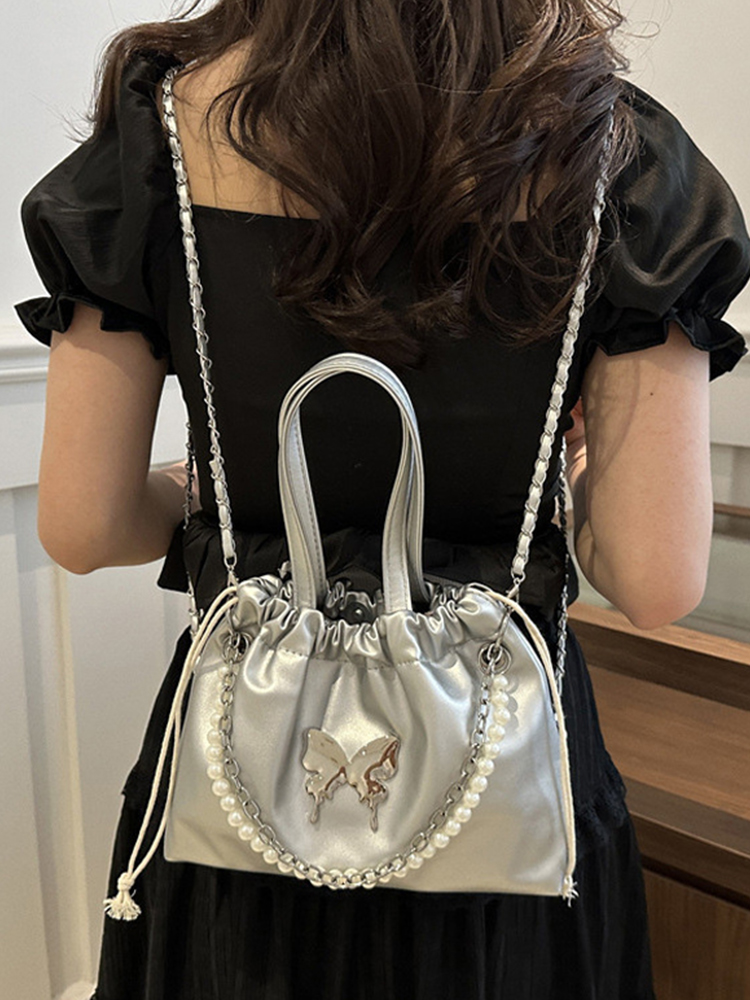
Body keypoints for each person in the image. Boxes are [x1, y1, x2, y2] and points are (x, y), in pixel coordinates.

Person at [14, 1, 750, 998]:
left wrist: (202, 490)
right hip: (503, 784)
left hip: (252, 770)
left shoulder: (165, 129)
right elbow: (655, 578)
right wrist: (573, 474)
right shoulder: (620, 151)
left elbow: (85, 524)